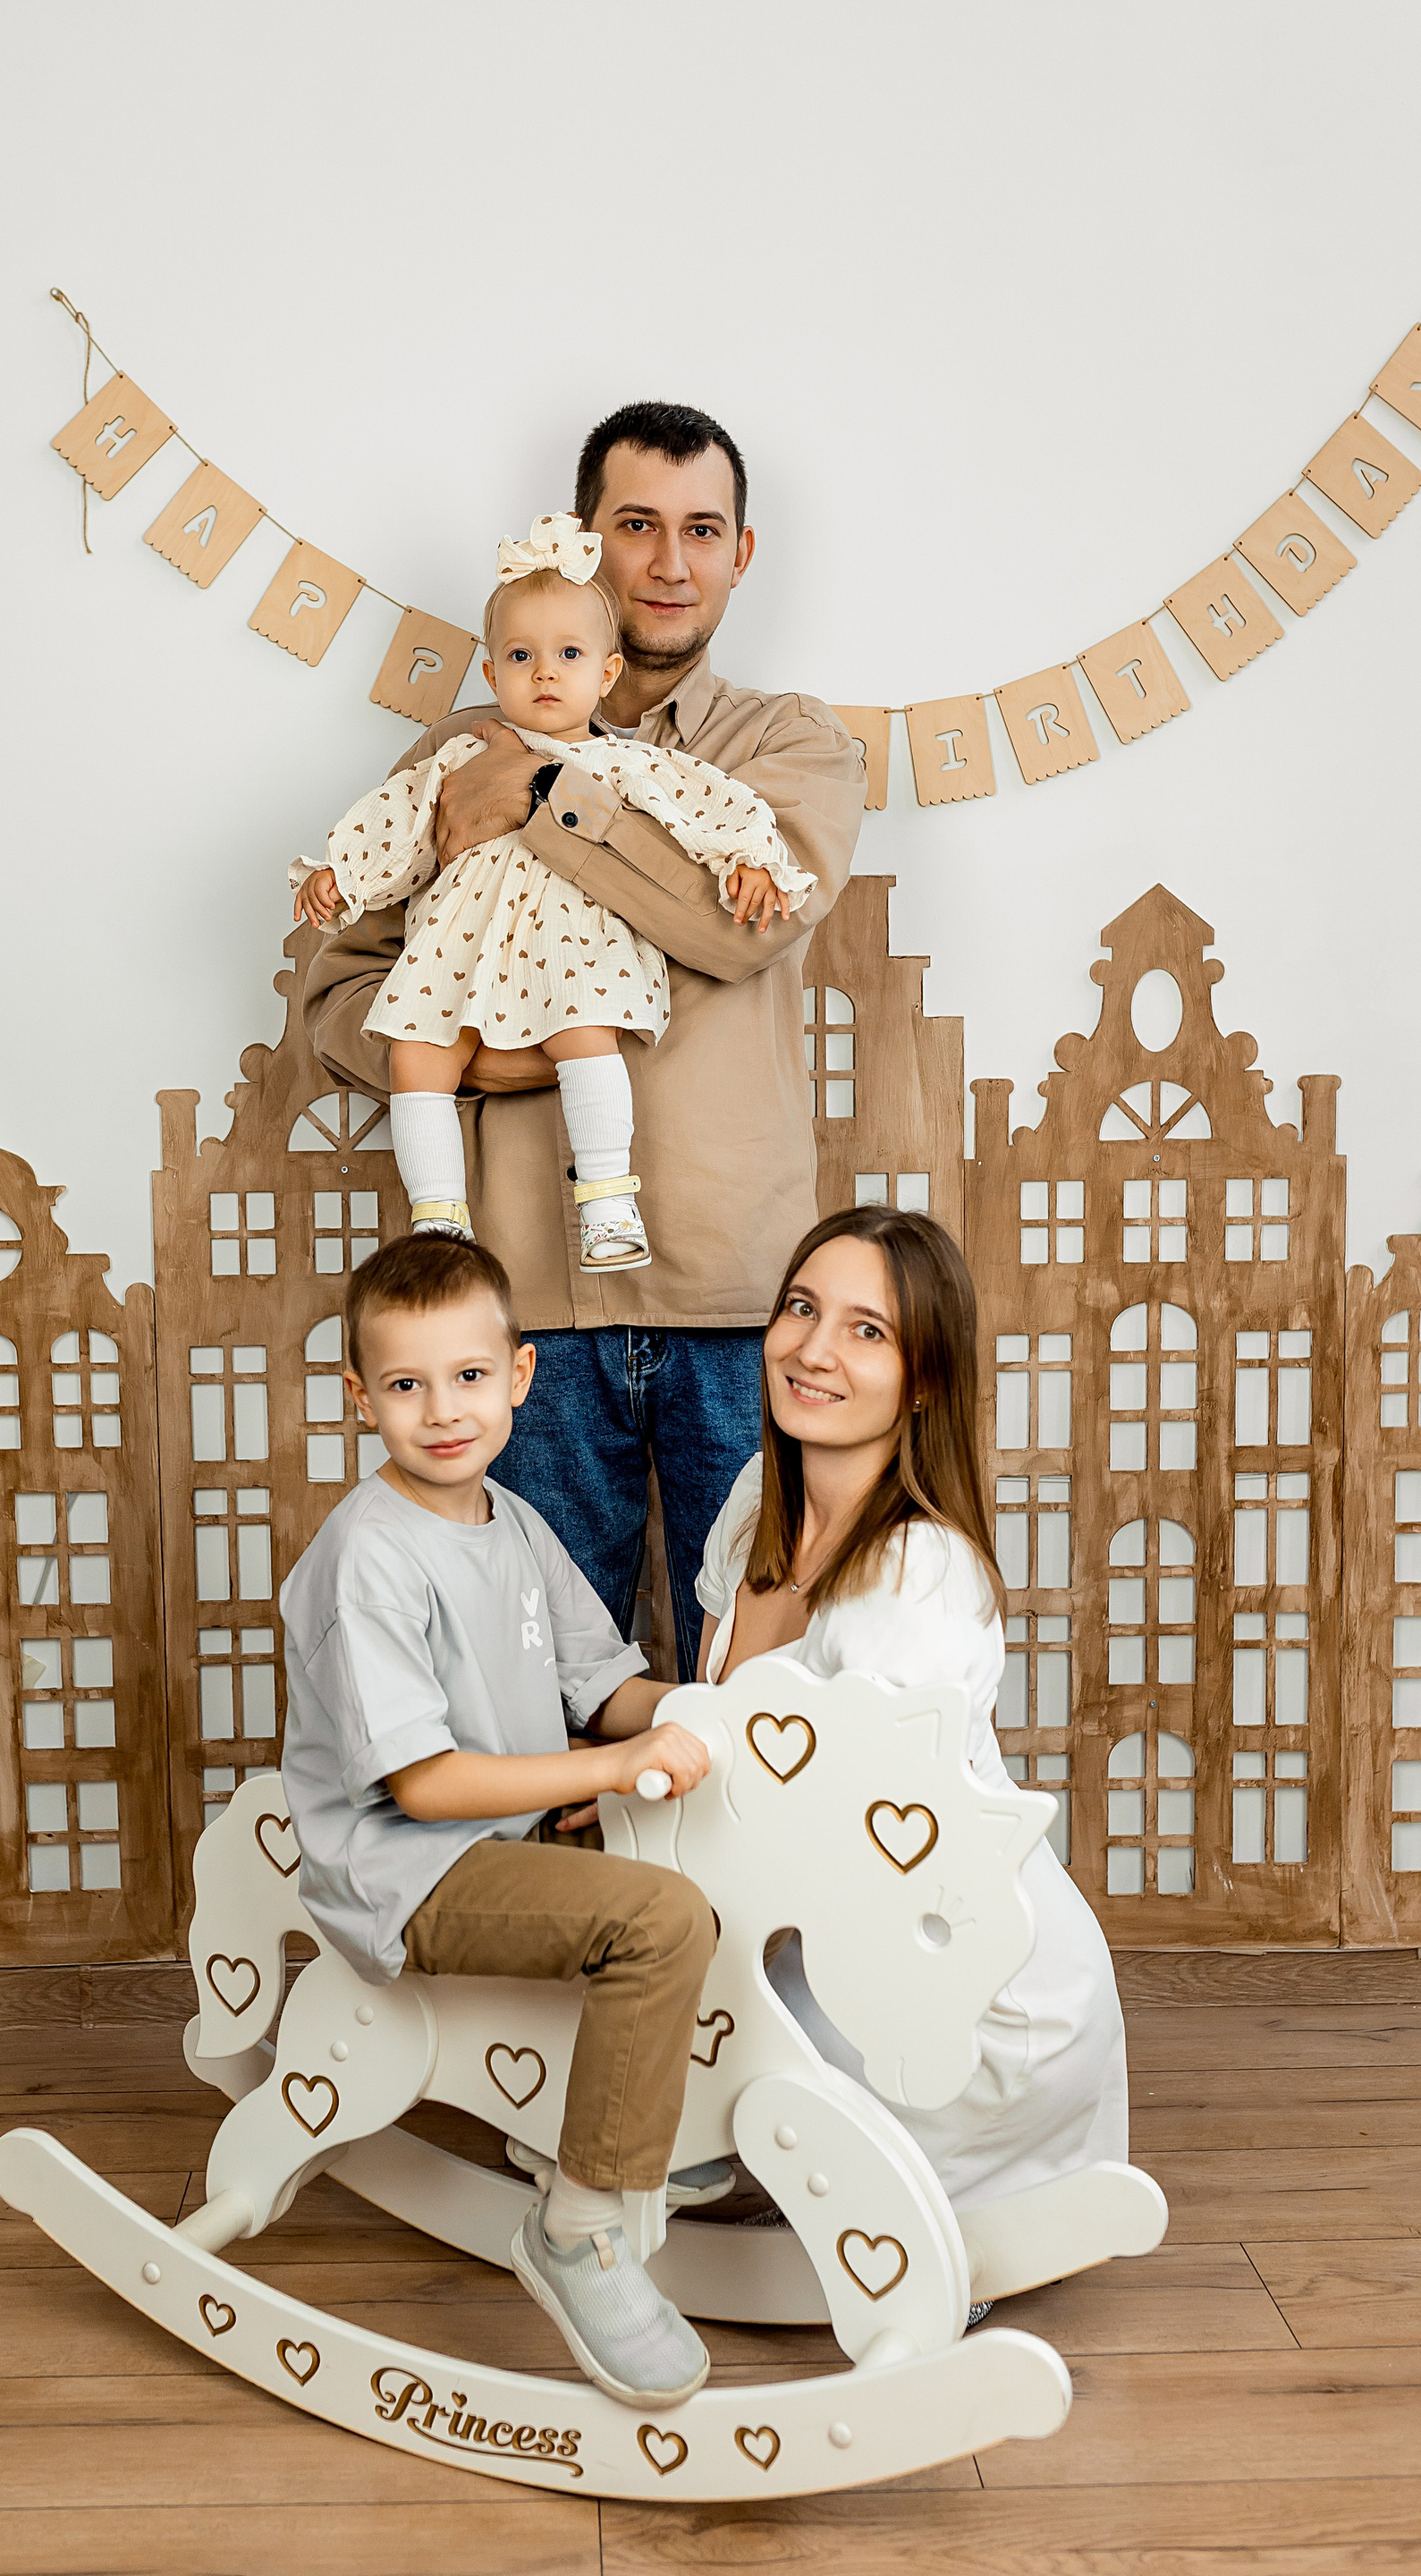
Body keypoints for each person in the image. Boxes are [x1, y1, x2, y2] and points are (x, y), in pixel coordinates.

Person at [304, 403, 865, 1674]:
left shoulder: (789, 747)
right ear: (581, 540)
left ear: (742, 554)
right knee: (539, 1680)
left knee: (760, 1676)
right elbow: (340, 994)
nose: (668, 562)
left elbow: (739, 933)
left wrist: (547, 794)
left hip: (735, 1305)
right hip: (521, 1314)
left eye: (702, 531)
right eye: (636, 525)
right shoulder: (456, 757)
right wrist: (485, 1058)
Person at [276, 1230, 718, 2407]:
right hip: (408, 1872)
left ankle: (632, 2123)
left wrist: (729, 1719)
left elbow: (606, 1686)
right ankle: (577, 2227)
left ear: (519, 1377)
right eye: (406, 1385)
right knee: (663, 1921)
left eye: (469, 1376)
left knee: (712, 1858)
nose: (442, 1412)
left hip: (506, 1840)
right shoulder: (367, 1555)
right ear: (361, 1398)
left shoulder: (513, 1524)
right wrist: (605, 1769)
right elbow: (421, 1787)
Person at [694, 1204, 1129, 2243]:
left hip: (956, 1975)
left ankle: (936, 2212)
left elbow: (857, 1846)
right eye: (801, 1309)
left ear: (923, 1379)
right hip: (815, 1941)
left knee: (660, 1992)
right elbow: (707, 1725)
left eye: (867, 1331)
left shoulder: (916, 1575)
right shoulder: (756, 1503)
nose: (813, 1350)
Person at [292, 513, 808, 1273]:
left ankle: (607, 1199)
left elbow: (706, 804)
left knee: (586, 1038)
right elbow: (398, 821)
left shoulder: (620, 763)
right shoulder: (457, 756)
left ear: (605, 672)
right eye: (521, 656)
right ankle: (438, 1215)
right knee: (417, 1057)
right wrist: (343, 872)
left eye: (568, 655)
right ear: (491, 675)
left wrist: (751, 858)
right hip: (462, 950)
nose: (544, 674)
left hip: (571, 946)